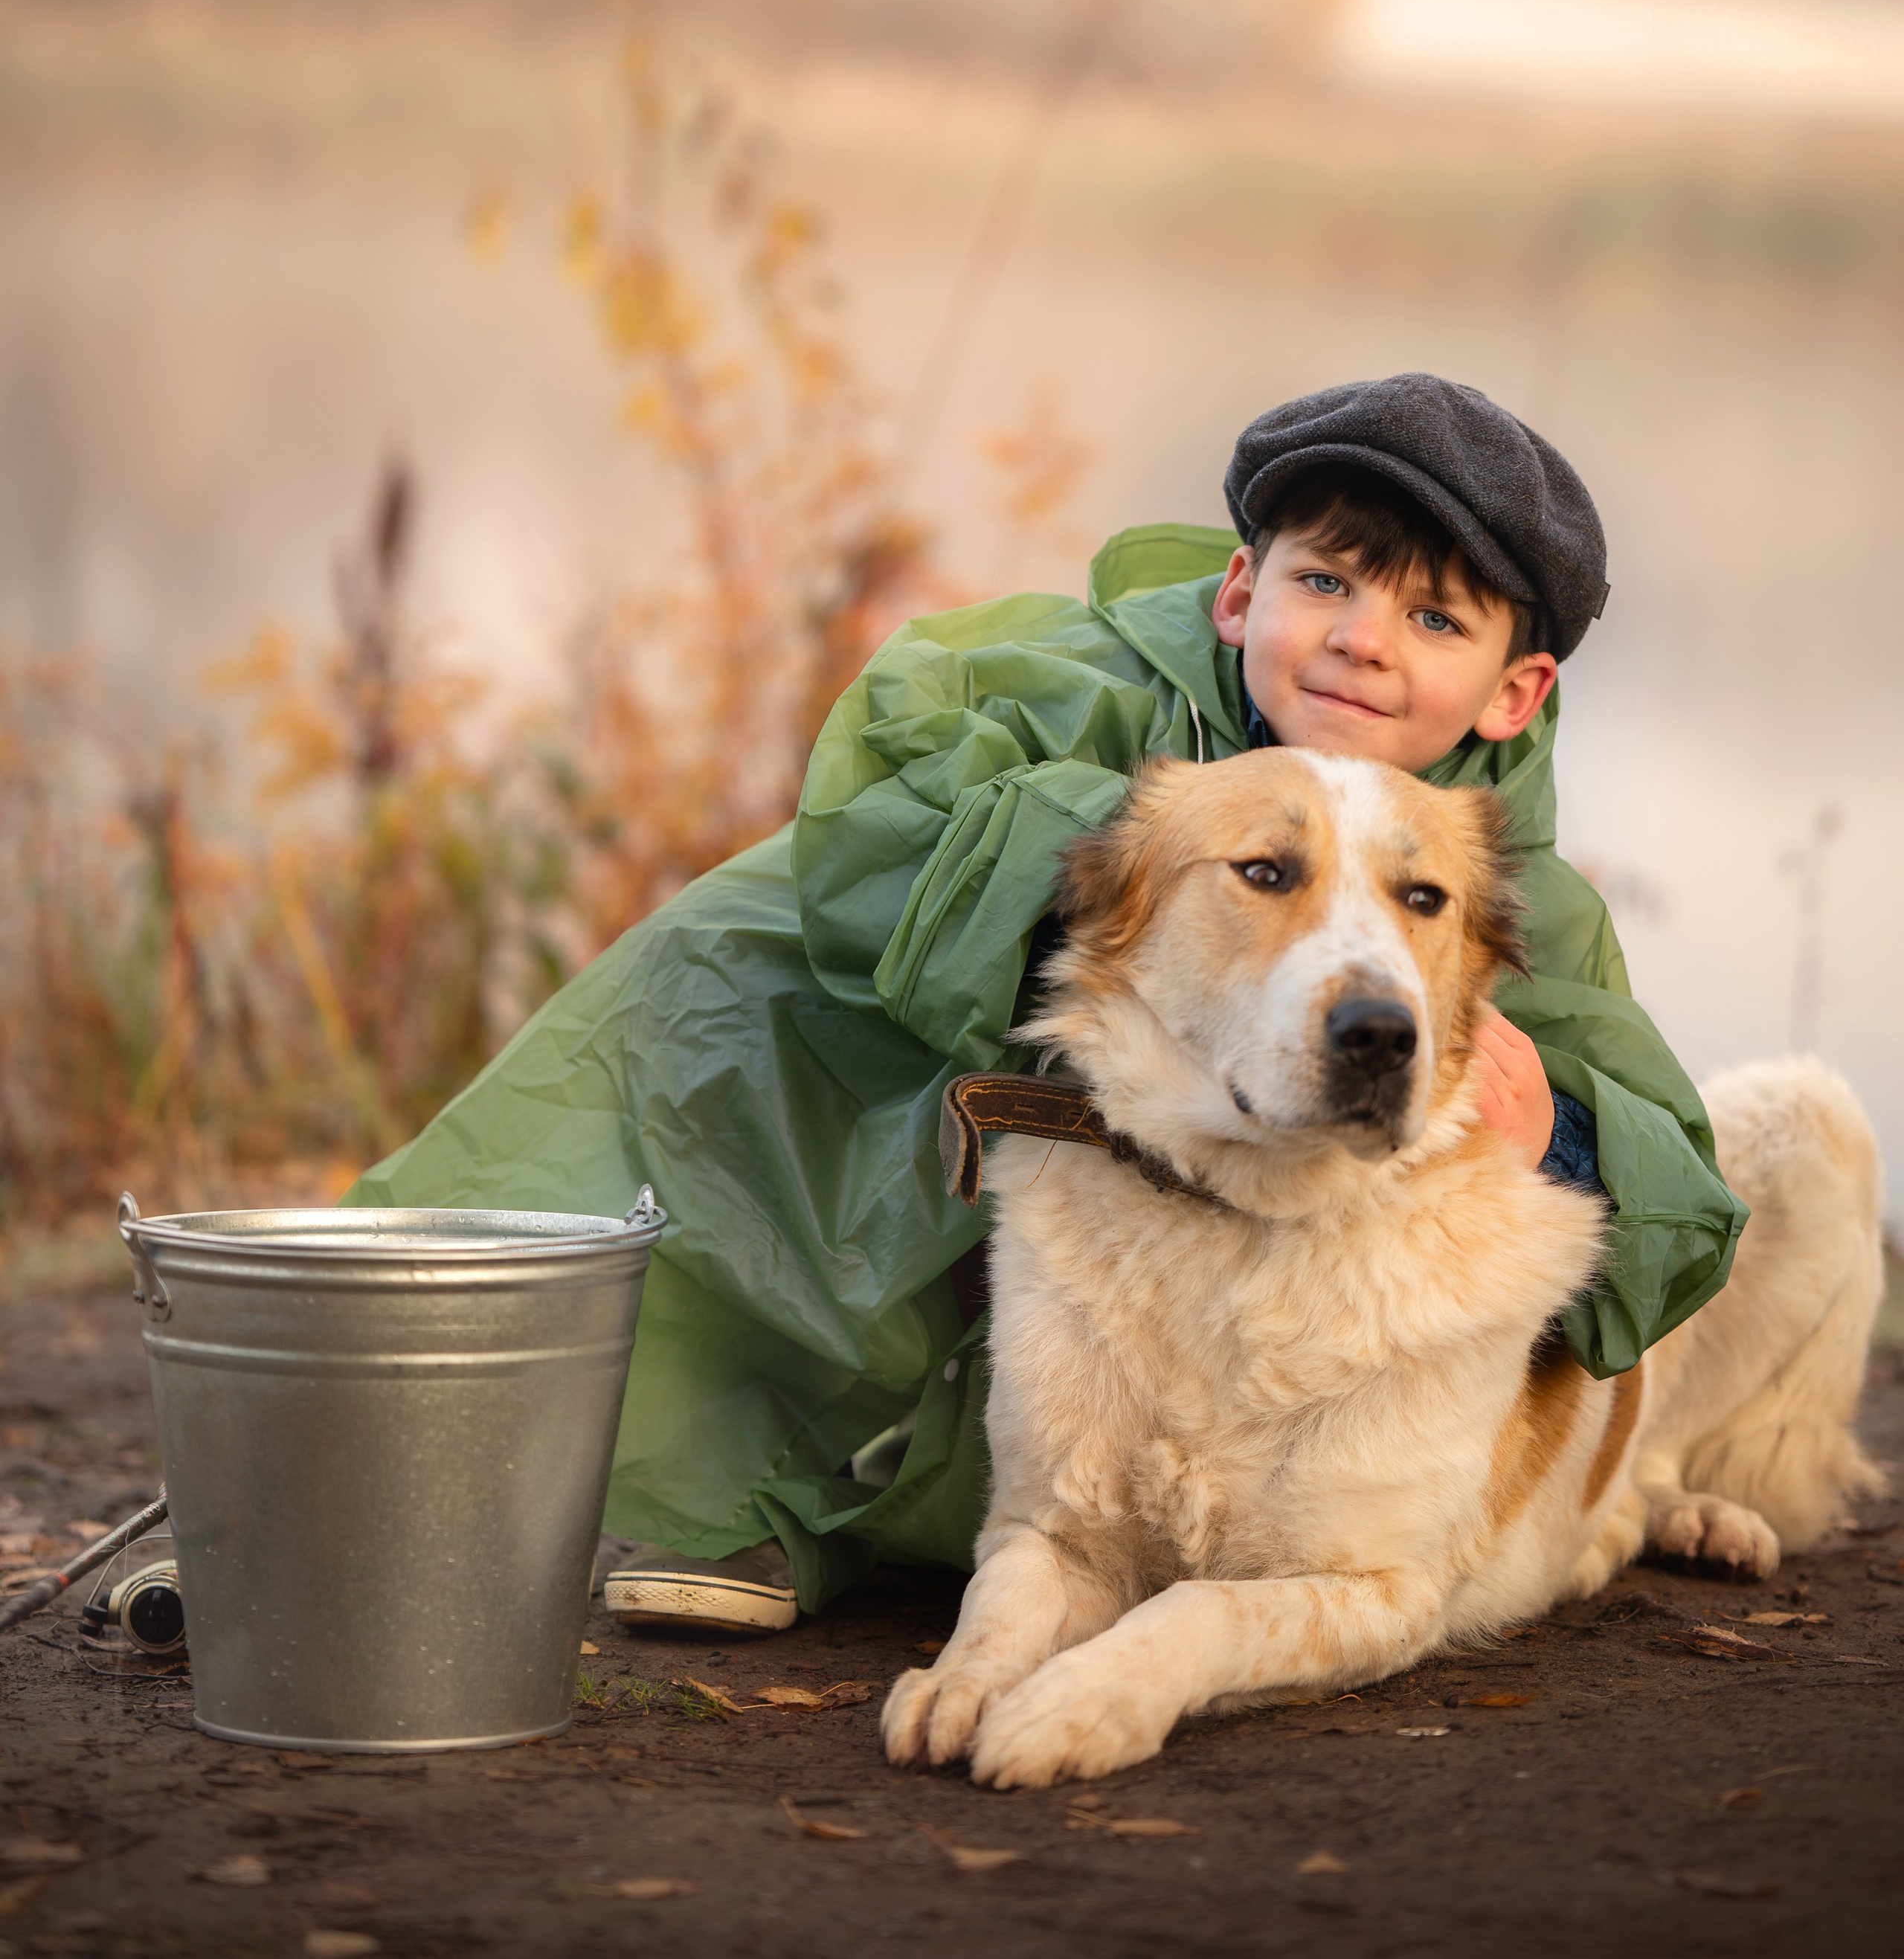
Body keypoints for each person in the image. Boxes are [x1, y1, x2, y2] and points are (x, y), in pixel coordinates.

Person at [350, 373, 1744, 1626]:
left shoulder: (1511, 883)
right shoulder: (1088, 702)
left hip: (1240, 1252)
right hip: (968, 1098)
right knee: (745, 1014)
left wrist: (1553, 1119)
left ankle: (953, 1521)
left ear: (1515, 690)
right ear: (1242, 596)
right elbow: (873, 831)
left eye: (1432, 617)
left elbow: (1679, 1175)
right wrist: (1144, 868)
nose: (1364, 642)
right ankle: (742, 1485)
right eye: (1327, 584)